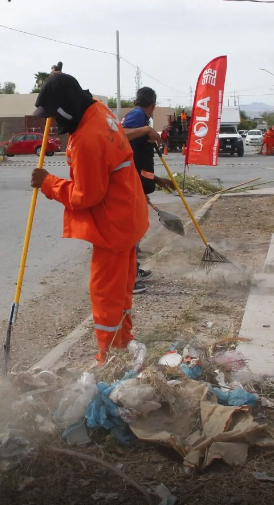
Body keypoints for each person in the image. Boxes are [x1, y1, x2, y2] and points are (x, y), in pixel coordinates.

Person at [30, 73, 148, 364]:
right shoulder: (96, 107)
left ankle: (107, 357)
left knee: (106, 293)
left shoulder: (88, 140)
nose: (54, 123)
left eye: (54, 116)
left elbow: (86, 196)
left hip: (113, 227)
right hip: (129, 216)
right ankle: (123, 343)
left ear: (66, 110)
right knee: (120, 290)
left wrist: (48, 183)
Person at [121, 87, 176, 295]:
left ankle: (133, 270)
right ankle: (129, 278)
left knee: (136, 229)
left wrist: (159, 180)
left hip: (134, 182)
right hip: (128, 184)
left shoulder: (140, 117)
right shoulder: (137, 115)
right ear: (153, 104)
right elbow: (119, 136)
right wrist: (146, 130)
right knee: (131, 231)